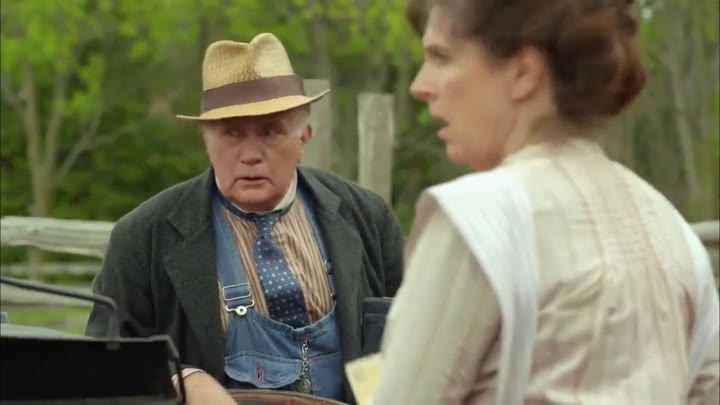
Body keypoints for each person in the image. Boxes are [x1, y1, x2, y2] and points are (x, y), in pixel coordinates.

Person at [370, 1, 720, 404]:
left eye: (441, 57)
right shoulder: (668, 227)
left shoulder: (481, 220)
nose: (420, 85)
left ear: (524, 74)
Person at [85, 33, 404, 405]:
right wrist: (180, 382)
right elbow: (103, 373)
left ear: (303, 139)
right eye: (231, 133)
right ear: (207, 142)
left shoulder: (367, 218)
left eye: (270, 131)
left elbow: (413, 341)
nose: (250, 154)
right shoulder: (144, 237)